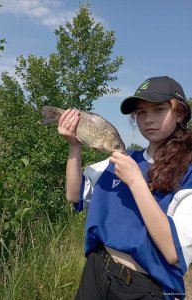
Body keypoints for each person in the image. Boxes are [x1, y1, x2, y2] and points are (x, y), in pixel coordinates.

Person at [58, 76, 192, 300]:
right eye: (141, 113)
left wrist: (136, 182)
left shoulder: (187, 172)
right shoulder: (124, 159)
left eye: (158, 110)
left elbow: (172, 251)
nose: (148, 119)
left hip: (143, 287)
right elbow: (73, 195)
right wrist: (74, 146)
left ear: (179, 114)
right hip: (97, 269)